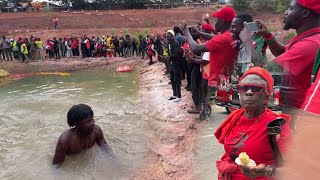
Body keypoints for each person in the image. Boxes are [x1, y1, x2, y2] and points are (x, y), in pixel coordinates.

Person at [214, 67, 292, 180]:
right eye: (244, 88)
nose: (249, 93)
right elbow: (230, 152)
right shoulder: (235, 118)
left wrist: (267, 171)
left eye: (256, 88)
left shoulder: (277, 124)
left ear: (266, 97)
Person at [251, 0, 320, 108]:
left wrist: (247, 45)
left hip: (298, 111)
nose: (286, 12)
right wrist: (267, 35)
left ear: (305, 13)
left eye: (291, 8)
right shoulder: (309, 38)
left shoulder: (309, 44)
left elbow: (271, 69)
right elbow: (283, 52)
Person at [182, 6, 238, 119]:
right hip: (224, 75)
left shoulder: (220, 39)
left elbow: (196, 48)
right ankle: (205, 111)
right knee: (205, 94)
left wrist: (186, 33)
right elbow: (214, 37)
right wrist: (199, 32)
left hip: (216, 78)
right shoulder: (230, 35)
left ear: (222, 22)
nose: (215, 23)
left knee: (206, 96)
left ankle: (205, 113)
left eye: (216, 20)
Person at [167, 30, 183, 102]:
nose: (168, 38)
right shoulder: (169, 43)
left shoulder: (176, 43)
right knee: (172, 79)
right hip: (171, 64)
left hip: (177, 64)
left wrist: (169, 57)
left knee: (177, 80)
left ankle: (179, 96)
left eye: (169, 36)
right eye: (167, 36)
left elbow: (177, 54)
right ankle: (175, 94)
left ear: (173, 36)